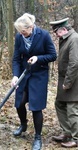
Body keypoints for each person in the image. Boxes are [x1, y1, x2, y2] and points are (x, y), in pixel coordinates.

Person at [11, 13, 57, 150]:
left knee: (36, 107)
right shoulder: (19, 37)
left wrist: (38, 58)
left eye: (24, 31)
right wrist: (15, 75)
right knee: (19, 103)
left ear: (31, 27)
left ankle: (38, 137)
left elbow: (53, 55)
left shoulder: (43, 35)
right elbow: (16, 59)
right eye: (20, 32)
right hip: (24, 75)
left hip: (39, 75)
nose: (21, 34)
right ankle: (23, 124)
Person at [50, 18, 78, 148]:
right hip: (65, 79)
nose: (55, 34)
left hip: (74, 80)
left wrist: (68, 82)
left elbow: (74, 63)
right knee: (59, 104)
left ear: (64, 29)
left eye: (56, 31)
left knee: (72, 109)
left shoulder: (74, 39)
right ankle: (67, 133)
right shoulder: (66, 38)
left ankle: (76, 138)